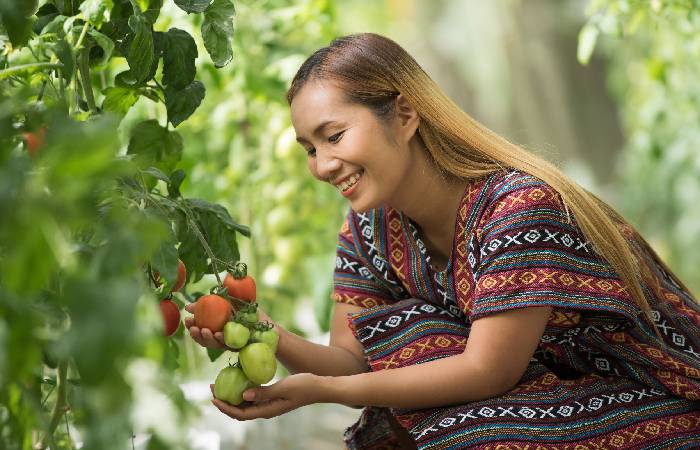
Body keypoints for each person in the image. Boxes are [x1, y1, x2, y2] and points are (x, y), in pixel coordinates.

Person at [185, 32, 700, 449]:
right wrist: (262, 332)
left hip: (657, 398)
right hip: (553, 393)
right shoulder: (367, 231)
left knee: (455, 409)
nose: (321, 165)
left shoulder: (517, 206)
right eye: (308, 148)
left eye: (334, 136)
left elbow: (486, 371)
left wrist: (323, 393)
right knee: (408, 340)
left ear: (405, 115)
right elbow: (352, 361)